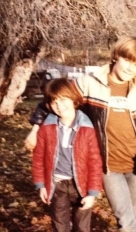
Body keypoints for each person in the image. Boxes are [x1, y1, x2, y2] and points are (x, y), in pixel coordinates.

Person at [25, 36, 136, 232]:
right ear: (116, 56)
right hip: (108, 165)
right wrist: (34, 130)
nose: (130, 68)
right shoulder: (89, 83)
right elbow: (52, 101)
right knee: (127, 222)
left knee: (132, 218)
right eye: (127, 60)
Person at [32, 78, 103, 232]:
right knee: (59, 223)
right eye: (54, 102)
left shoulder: (87, 128)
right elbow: (38, 157)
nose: (59, 106)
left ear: (73, 99)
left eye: (63, 100)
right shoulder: (47, 127)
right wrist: (41, 185)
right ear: (49, 105)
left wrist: (92, 193)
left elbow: (95, 162)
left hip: (80, 186)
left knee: (82, 226)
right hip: (57, 184)